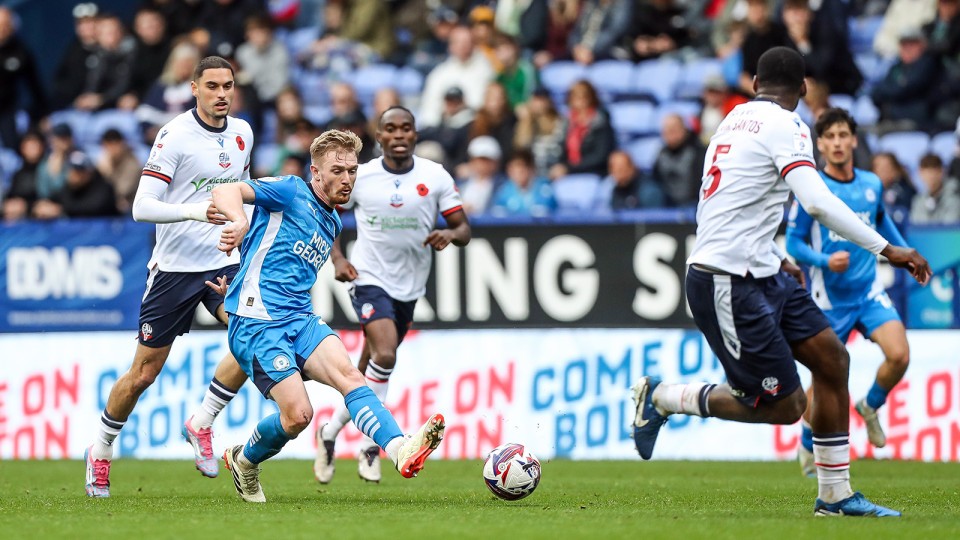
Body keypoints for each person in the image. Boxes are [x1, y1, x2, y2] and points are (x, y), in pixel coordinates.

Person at [630, 47, 931, 517]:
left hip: (765, 271)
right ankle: (665, 398)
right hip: (727, 280)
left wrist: (773, 253)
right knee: (784, 405)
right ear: (805, 89)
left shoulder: (730, 123)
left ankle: (835, 496)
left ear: (753, 84)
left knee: (833, 360)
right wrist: (887, 248)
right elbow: (816, 202)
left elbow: (726, 207)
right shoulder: (788, 125)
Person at [210, 129, 447, 502]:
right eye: (338, 170)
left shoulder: (333, 221)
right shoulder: (290, 189)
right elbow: (225, 189)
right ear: (315, 172)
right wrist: (239, 220)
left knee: (351, 375)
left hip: (299, 318)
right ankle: (244, 459)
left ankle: (400, 449)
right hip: (257, 321)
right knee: (298, 416)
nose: (347, 179)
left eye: (352, 170)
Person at [84, 56, 255, 498]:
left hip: (222, 261)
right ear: (194, 88)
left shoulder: (242, 134)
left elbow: (244, 190)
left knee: (251, 336)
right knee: (142, 375)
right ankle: (100, 450)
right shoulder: (175, 136)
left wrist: (245, 231)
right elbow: (142, 207)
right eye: (213, 86)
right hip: (175, 271)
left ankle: (202, 422)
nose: (222, 94)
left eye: (228, 86)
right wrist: (198, 211)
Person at [314, 107, 470, 484]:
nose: (399, 134)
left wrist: (449, 235)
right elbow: (327, 211)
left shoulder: (435, 177)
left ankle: (330, 433)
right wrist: (337, 258)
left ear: (415, 134)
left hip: (410, 286)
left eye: (406, 128)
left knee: (364, 374)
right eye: (390, 129)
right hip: (368, 276)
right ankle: (375, 447)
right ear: (378, 136)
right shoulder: (362, 176)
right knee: (385, 352)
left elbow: (463, 227)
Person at [785, 108, 913, 477]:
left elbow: (883, 226)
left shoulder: (872, 183)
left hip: (868, 292)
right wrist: (824, 261)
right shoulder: (813, 190)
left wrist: (904, 256)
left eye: (844, 135)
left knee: (899, 355)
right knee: (824, 382)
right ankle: (808, 444)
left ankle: (871, 405)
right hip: (828, 300)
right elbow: (794, 242)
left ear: (854, 140)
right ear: (820, 144)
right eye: (830, 137)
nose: (838, 143)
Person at [910, 153, 960, 223]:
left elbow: (950, 229)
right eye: (926, 173)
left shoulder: (954, 198)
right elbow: (916, 227)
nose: (930, 177)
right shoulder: (918, 201)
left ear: (942, 172)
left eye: (933, 172)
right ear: (920, 173)